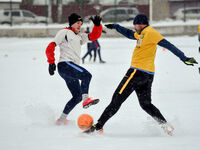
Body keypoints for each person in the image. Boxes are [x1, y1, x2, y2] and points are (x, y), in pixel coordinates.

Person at [84, 14, 198, 135]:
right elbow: (129, 33)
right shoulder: (142, 33)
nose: (134, 27)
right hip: (147, 75)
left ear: (141, 24)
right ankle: (166, 126)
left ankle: (98, 126)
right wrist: (116, 26)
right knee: (146, 104)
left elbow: (169, 45)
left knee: (117, 99)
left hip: (136, 72)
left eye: (135, 24)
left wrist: (184, 58)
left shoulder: (151, 33)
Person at [45, 13, 103, 125]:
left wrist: (97, 25)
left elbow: (94, 36)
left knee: (77, 97)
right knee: (87, 75)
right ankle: (86, 99)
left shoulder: (80, 36)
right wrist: (51, 62)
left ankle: (61, 119)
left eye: (81, 24)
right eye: (77, 23)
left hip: (69, 70)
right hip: (65, 65)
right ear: (71, 23)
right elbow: (51, 46)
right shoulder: (64, 32)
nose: (79, 25)